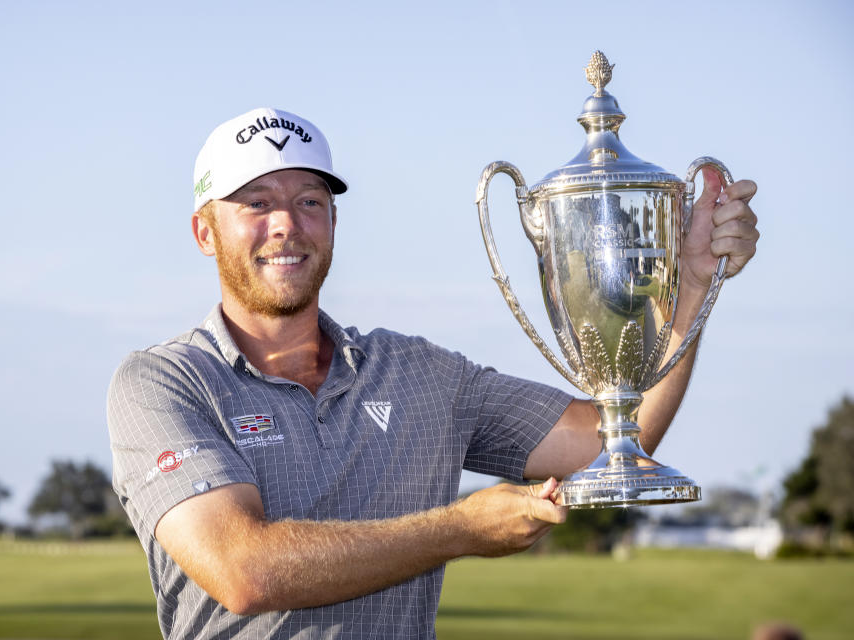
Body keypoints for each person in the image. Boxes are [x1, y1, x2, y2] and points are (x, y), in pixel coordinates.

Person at [107, 107, 759, 639]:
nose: (286, 225)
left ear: (332, 221)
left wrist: (693, 287)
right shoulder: (161, 383)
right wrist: (461, 528)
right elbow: (242, 571)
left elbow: (613, 443)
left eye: (309, 200)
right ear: (204, 232)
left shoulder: (418, 372)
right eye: (255, 203)